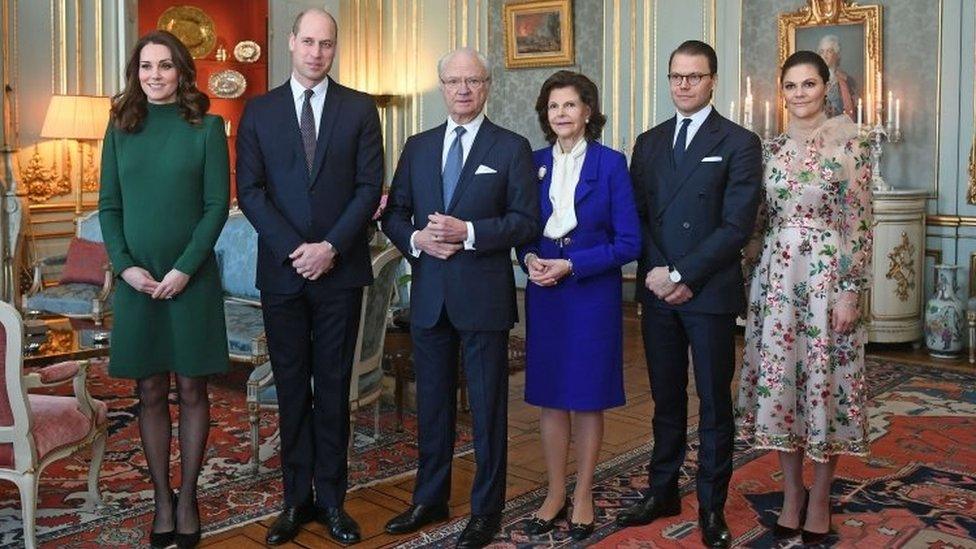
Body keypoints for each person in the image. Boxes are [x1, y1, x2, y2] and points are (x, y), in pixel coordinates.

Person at [235, 8, 383, 546]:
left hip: (339, 274)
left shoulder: (360, 109)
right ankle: (295, 501)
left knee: (333, 391)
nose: (317, 52)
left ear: (334, 48)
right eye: (309, 42)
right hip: (282, 274)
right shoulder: (260, 111)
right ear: (292, 43)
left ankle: (334, 502)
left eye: (327, 44)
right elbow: (250, 191)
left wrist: (328, 249)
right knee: (293, 389)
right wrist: (297, 249)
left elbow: (369, 188)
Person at [381, 47, 538, 548]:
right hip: (430, 297)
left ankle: (485, 509)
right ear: (442, 86)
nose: (463, 89)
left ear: (487, 85)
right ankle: (430, 497)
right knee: (433, 406)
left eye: (473, 80)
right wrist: (414, 240)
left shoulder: (510, 147)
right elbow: (394, 212)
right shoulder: (419, 145)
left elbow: (525, 222)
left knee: (489, 410)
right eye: (454, 81)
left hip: (484, 298)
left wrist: (469, 230)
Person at [615, 40, 763, 549]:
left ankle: (711, 506)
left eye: (694, 77)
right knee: (665, 398)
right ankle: (663, 491)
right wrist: (659, 273)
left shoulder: (740, 141)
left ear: (712, 80)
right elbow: (636, 214)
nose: (683, 85)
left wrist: (683, 274)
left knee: (715, 404)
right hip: (658, 290)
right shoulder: (649, 141)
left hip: (708, 291)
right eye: (676, 76)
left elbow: (736, 225)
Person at [99, 30, 229, 549]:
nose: (155, 75)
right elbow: (109, 207)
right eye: (146, 67)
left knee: (193, 389)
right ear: (137, 73)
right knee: (149, 391)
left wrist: (185, 269)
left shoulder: (207, 127)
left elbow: (217, 206)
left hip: (189, 280)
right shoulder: (119, 128)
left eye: (166, 66)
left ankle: (189, 496)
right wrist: (125, 267)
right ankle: (161, 498)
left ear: (182, 72)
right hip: (138, 282)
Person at [736, 50, 873, 545]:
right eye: (790, 86)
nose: (799, 94)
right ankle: (792, 494)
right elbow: (757, 222)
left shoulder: (849, 145)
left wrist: (850, 290)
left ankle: (820, 497)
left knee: (825, 386)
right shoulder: (768, 150)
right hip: (777, 282)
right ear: (783, 92)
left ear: (825, 87)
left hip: (826, 280)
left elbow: (858, 224)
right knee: (783, 391)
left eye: (808, 84)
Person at [516, 70, 640, 541]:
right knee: (550, 397)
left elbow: (628, 242)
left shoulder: (610, 164)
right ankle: (553, 493)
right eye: (553, 107)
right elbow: (523, 226)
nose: (561, 114)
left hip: (590, 294)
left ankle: (583, 492)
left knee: (587, 398)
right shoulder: (532, 163)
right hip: (545, 292)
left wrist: (572, 264)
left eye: (570, 105)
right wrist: (528, 256)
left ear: (588, 110)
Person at [817, 35, 858, 120]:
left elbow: (853, 110)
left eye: (829, 51)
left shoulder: (847, 81)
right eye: (822, 51)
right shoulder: (812, 81)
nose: (824, 55)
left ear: (837, 55)